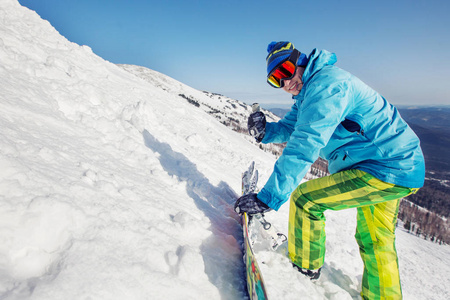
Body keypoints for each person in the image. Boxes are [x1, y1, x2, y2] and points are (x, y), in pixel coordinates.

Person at [234, 41, 425, 300]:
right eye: (275, 80)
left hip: (385, 166)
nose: (286, 83)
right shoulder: (309, 92)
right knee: (376, 239)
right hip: (400, 165)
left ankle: (304, 269)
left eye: (286, 70)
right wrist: (265, 131)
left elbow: (305, 144)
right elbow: (291, 127)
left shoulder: (327, 86)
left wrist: (268, 197)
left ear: (300, 60)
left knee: (306, 200)